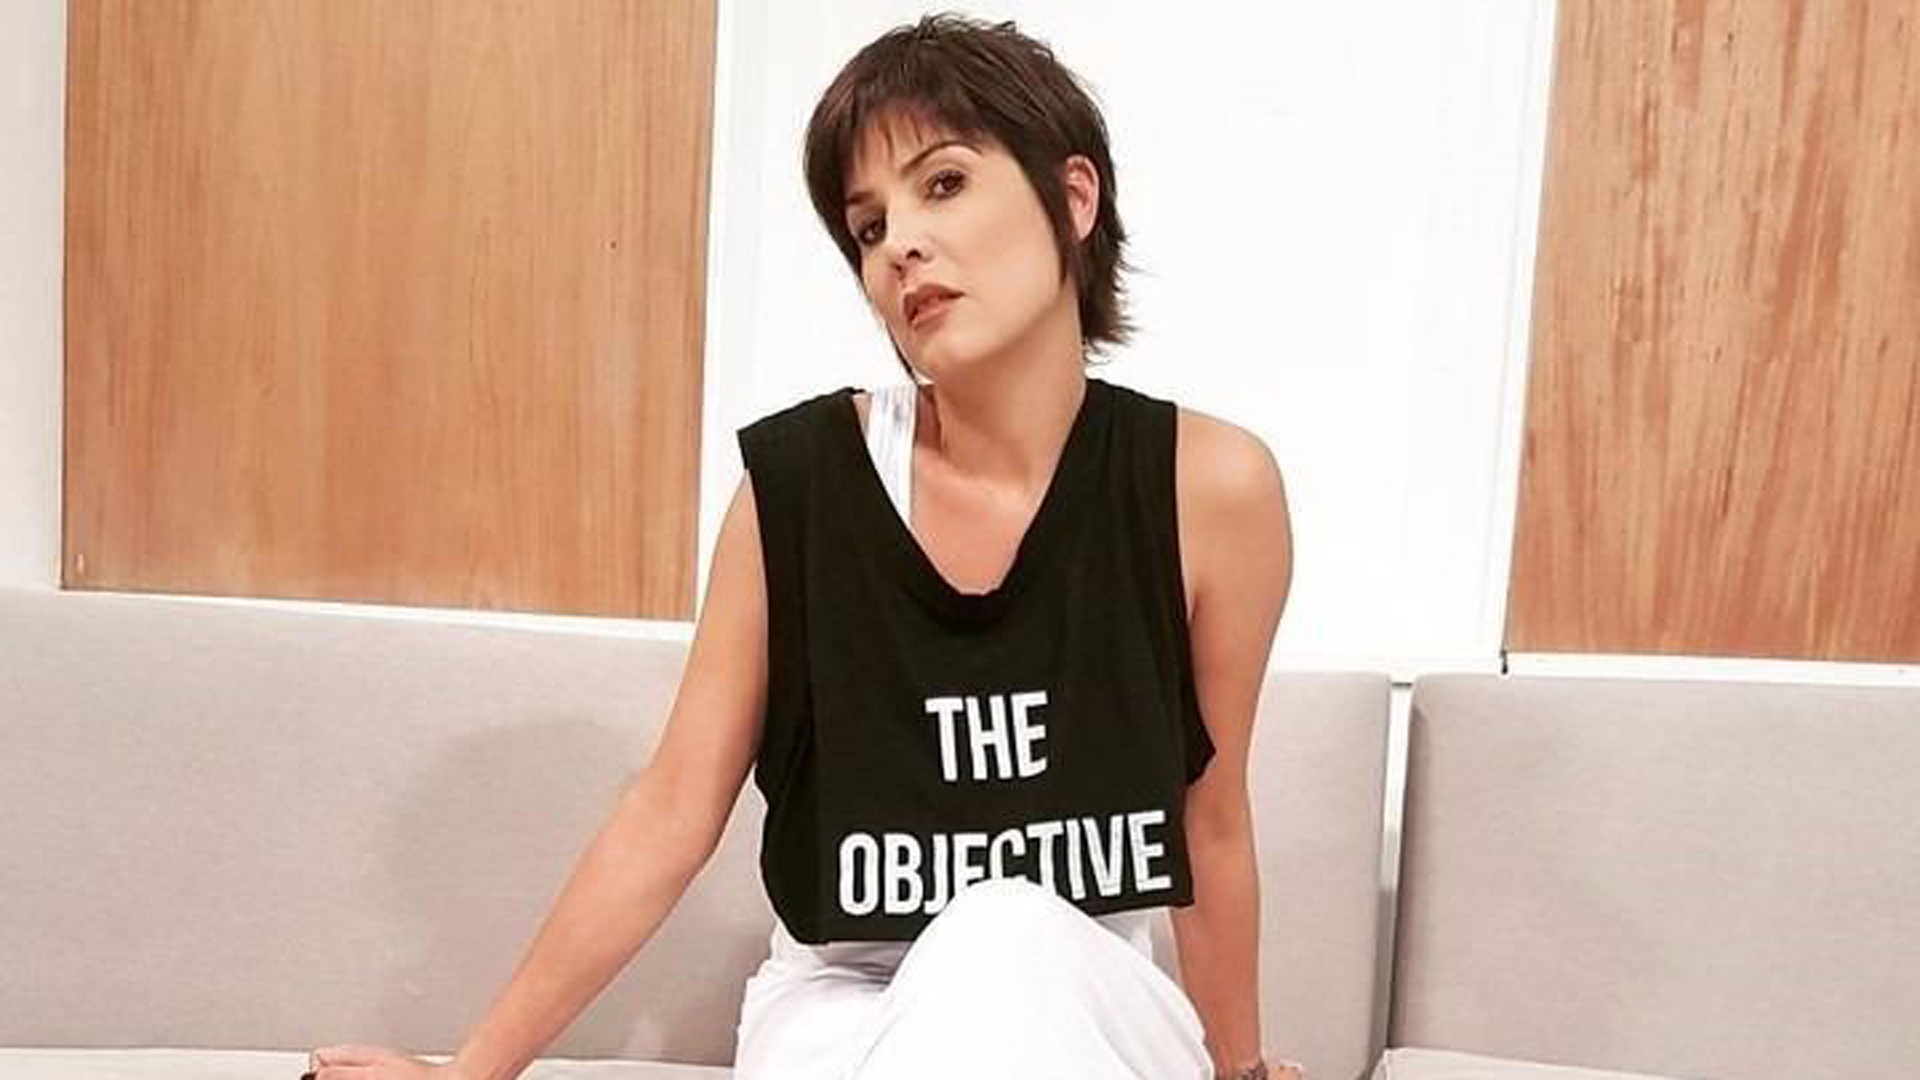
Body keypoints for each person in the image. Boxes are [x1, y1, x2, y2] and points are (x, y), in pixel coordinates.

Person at [308, 12, 1295, 1080]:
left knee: (1001, 929)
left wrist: (1240, 1072)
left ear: (1074, 197)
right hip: (841, 1011)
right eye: (868, 228)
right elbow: (672, 810)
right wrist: (468, 1076)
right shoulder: (801, 492)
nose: (900, 243)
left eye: (944, 183)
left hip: (1086, 1007)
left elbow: (1210, 820)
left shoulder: (1208, 490)